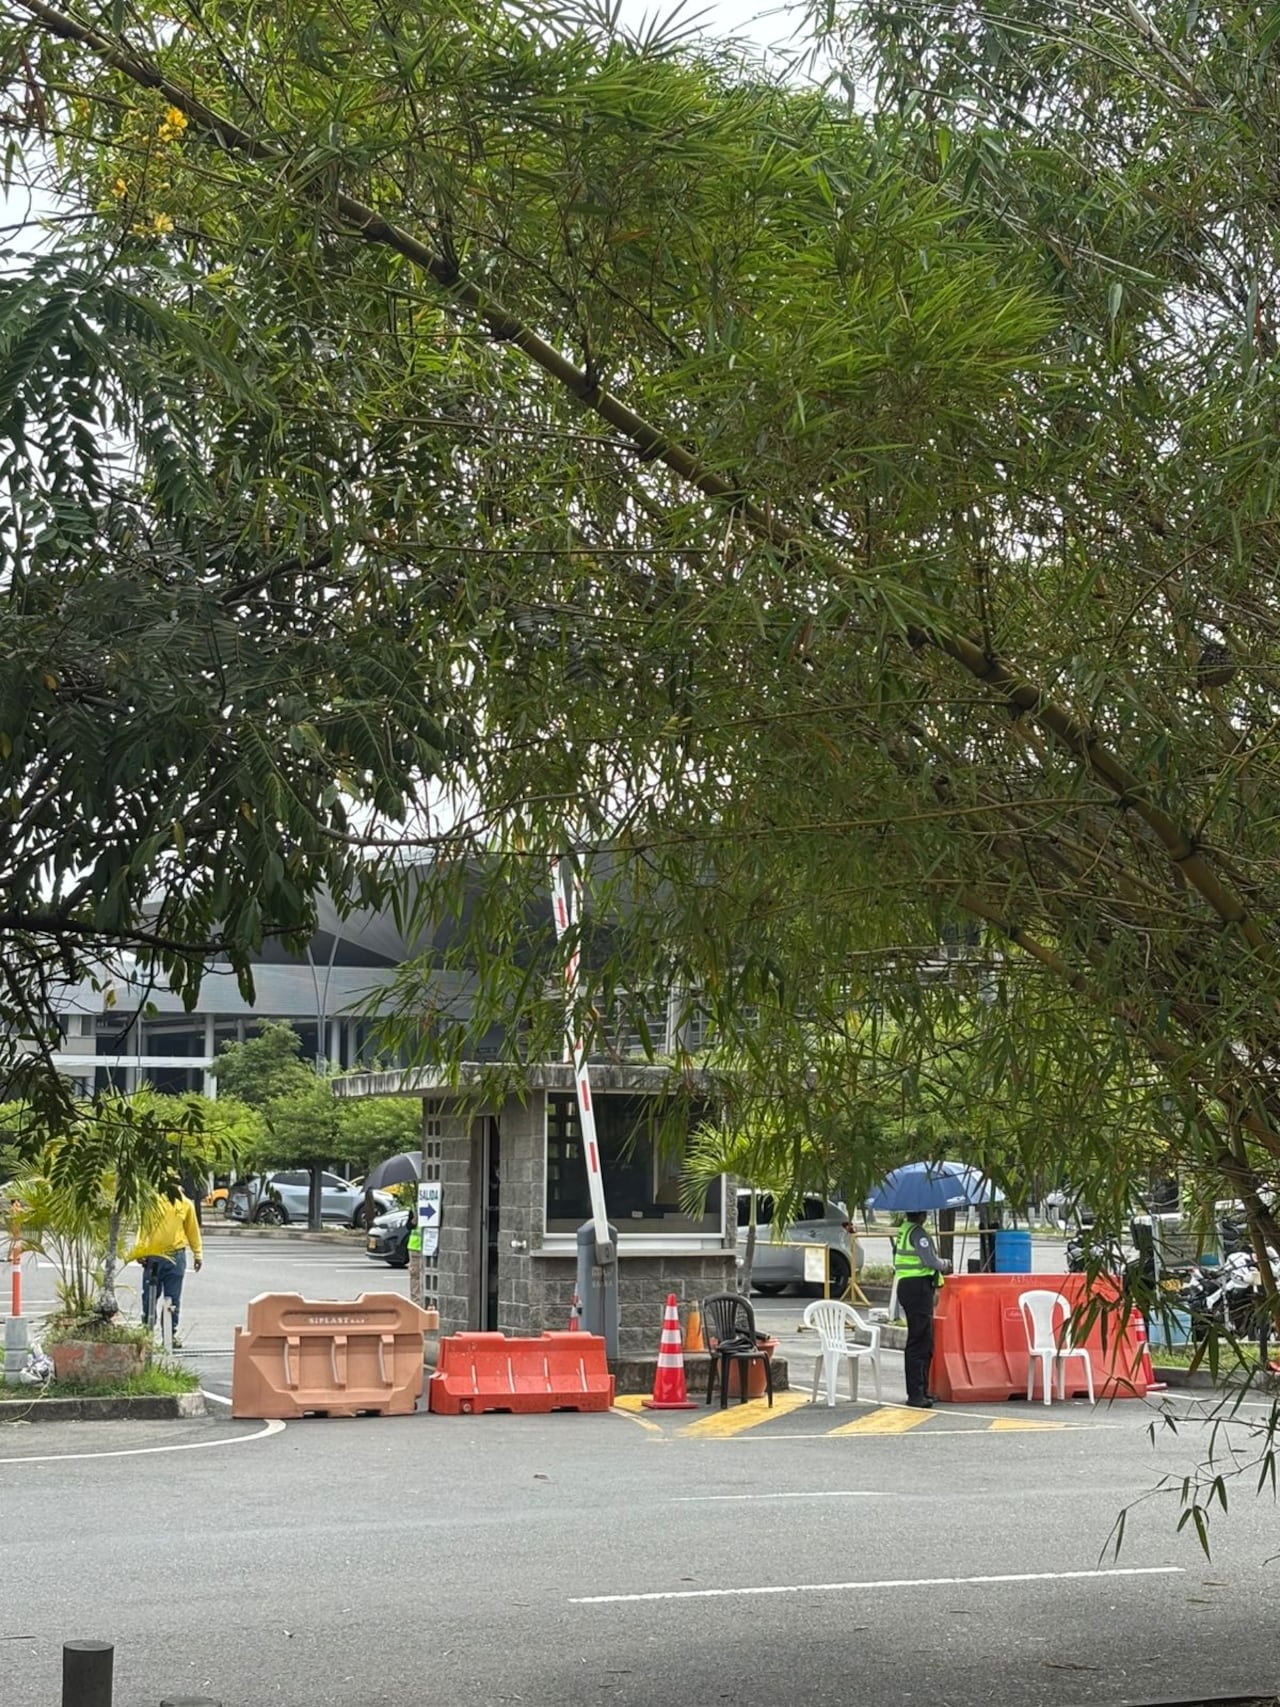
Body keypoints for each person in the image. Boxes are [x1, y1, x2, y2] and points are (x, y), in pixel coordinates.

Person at [126, 1178, 203, 1346]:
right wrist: (140, 1249)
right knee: (149, 1297)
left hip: (176, 1257)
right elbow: (143, 1227)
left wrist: (198, 1254)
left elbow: (192, 1230)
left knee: (173, 1299)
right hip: (153, 1257)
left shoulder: (185, 1204)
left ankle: (170, 1336)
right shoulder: (152, 1201)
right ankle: (146, 1333)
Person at [894, 1209, 952, 1408]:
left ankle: (922, 1390)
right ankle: (916, 1394)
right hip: (917, 1288)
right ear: (922, 1214)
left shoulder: (904, 1230)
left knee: (923, 1338)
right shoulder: (917, 1233)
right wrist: (945, 1263)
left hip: (908, 1286)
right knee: (919, 1340)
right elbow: (930, 1261)